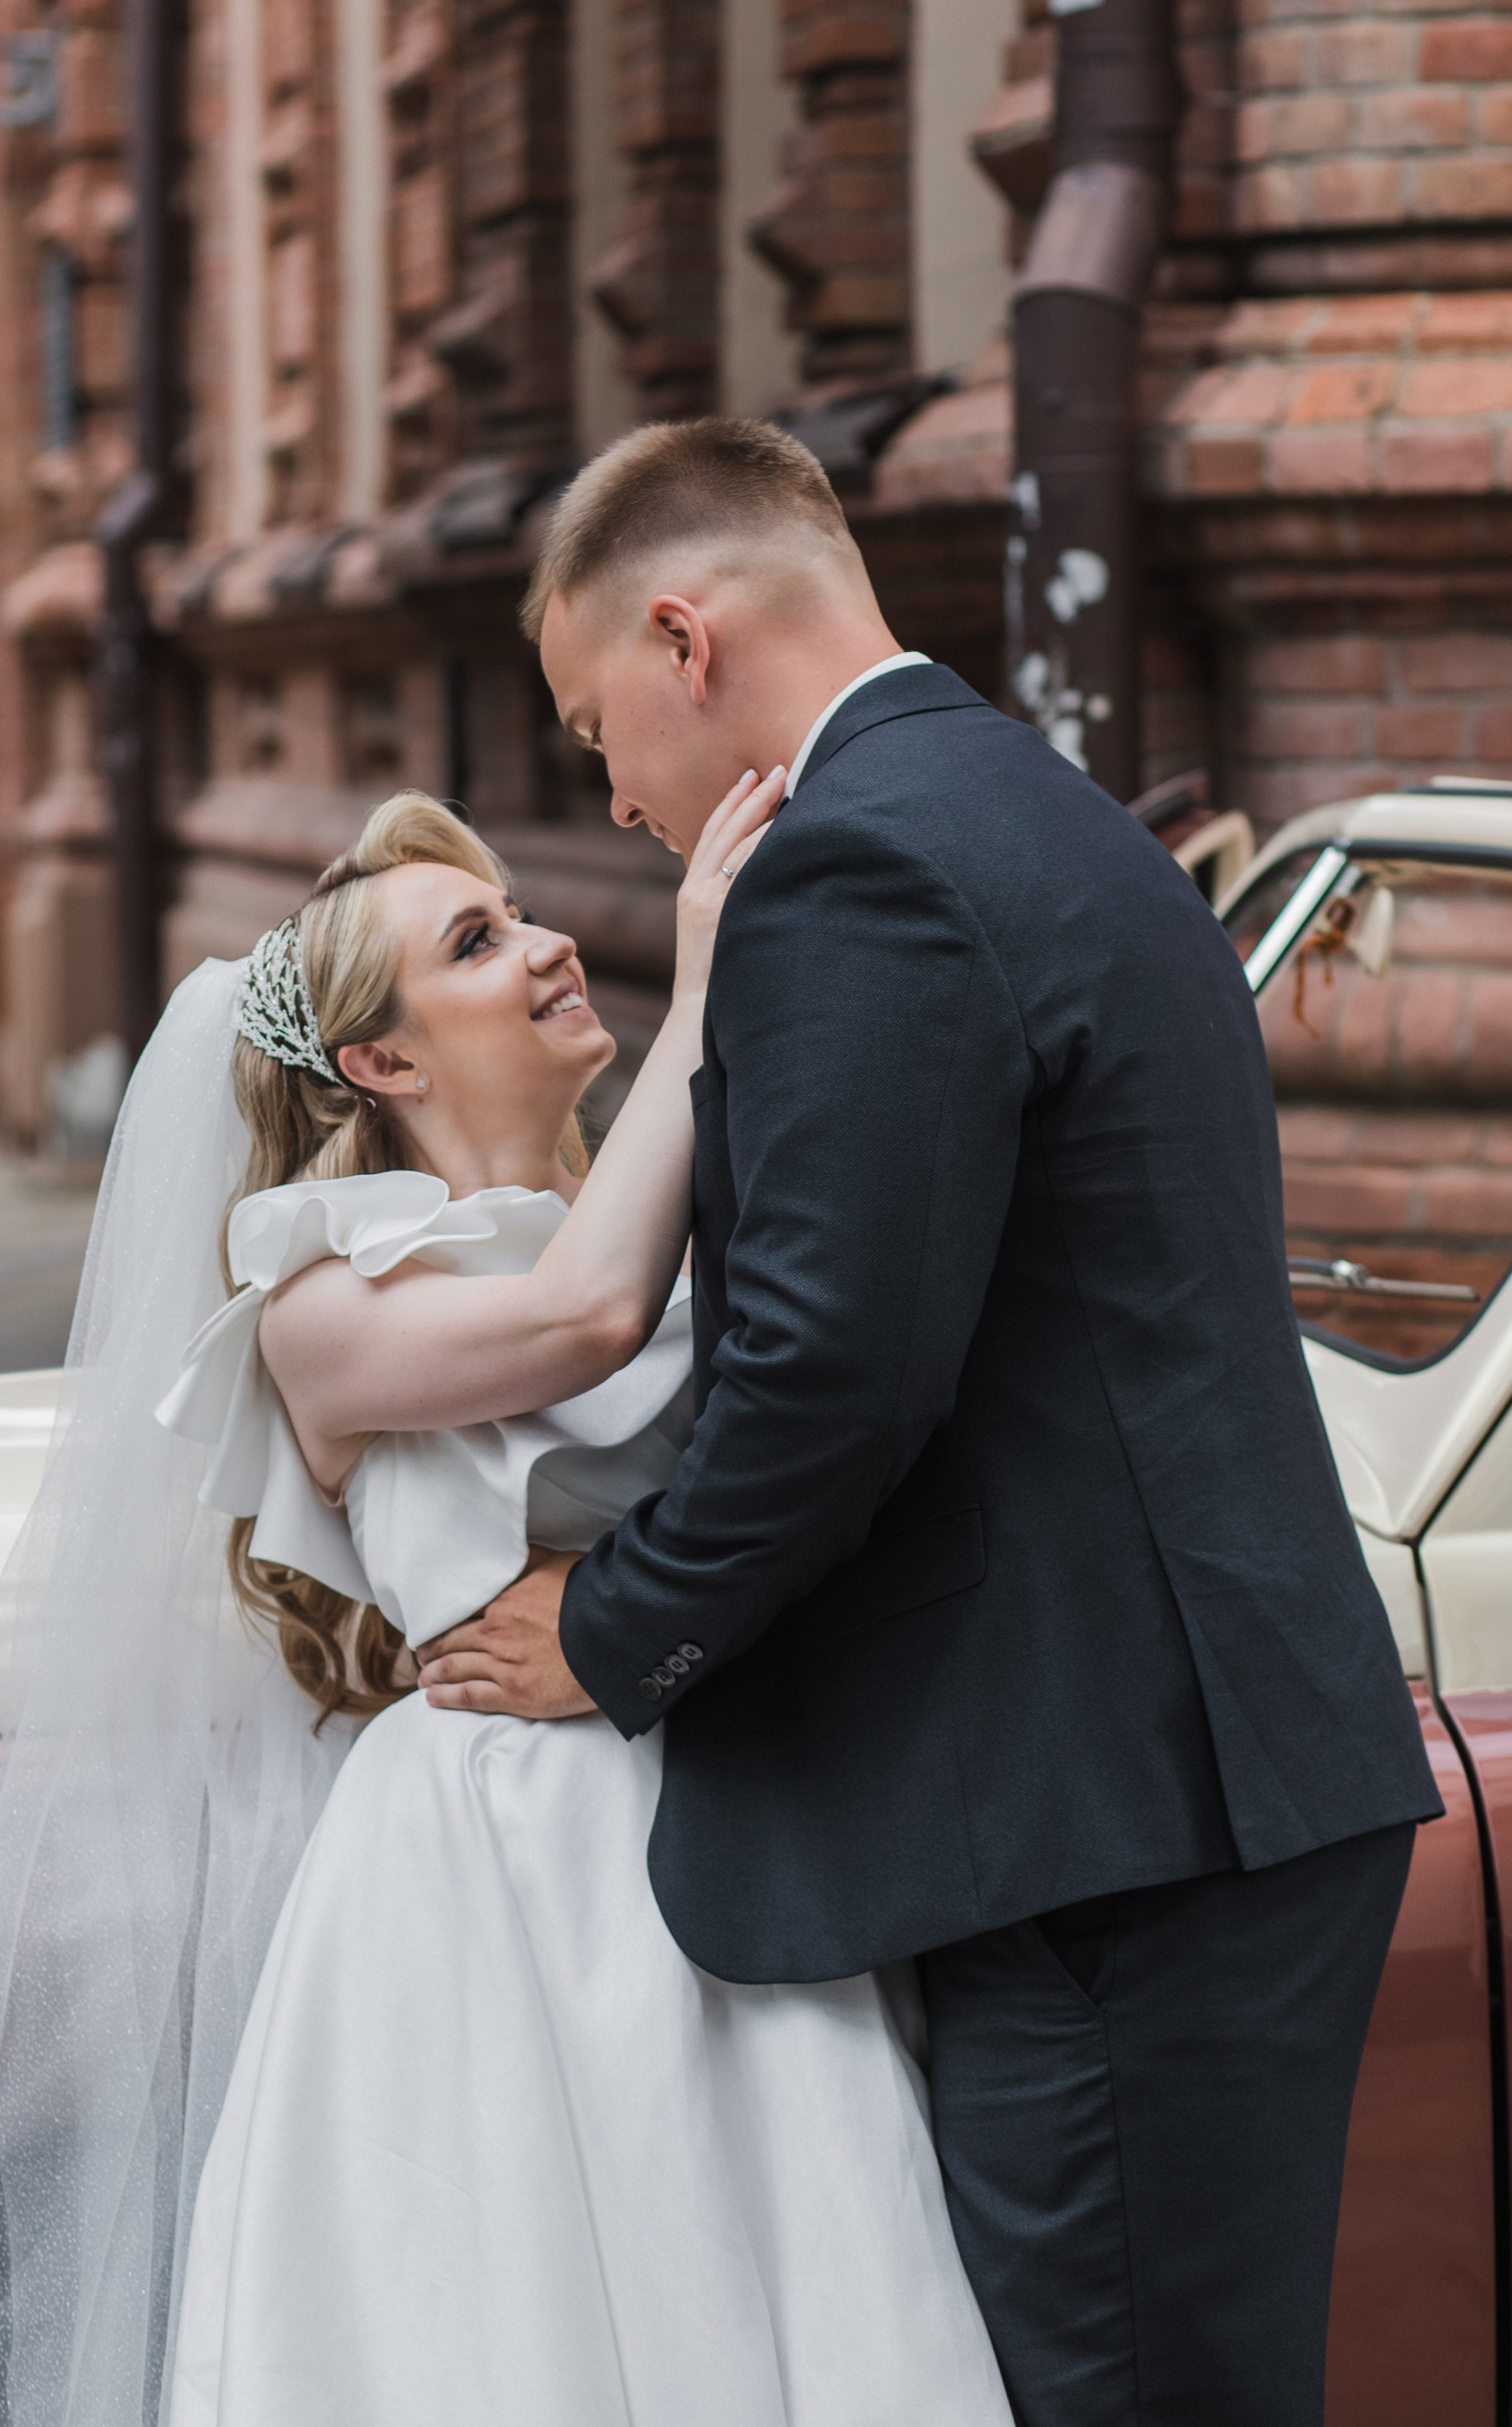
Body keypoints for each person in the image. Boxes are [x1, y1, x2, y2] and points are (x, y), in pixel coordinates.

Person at [419, 416, 1442, 2427]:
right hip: (1173, 1786)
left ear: (681, 633)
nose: (608, 790)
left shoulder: (855, 863)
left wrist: (611, 1625)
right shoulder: (1027, 806)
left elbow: (830, 1370)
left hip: (1113, 1833)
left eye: (589, 718)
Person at [0, 788, 1011, 2427]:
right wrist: (707, 988)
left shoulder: (665, 1211)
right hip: (496, 1862)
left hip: (733, 1823)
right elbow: (583, 1320)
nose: (552, 943)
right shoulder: (316, 1306)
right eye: (477, 942)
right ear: (382, 1064)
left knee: (785, 2286)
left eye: (514, 914)